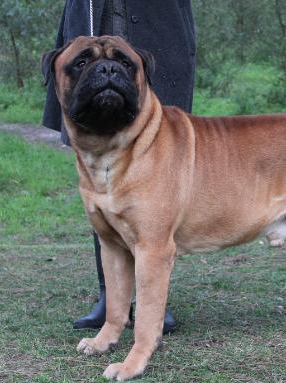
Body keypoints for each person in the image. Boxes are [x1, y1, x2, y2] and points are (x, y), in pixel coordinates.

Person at [42, 0, 196, 332]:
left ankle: (149, 303)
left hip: (158, 30)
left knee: (156, 182)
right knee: (101, 189)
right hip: (93, 19)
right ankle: (111, 299)